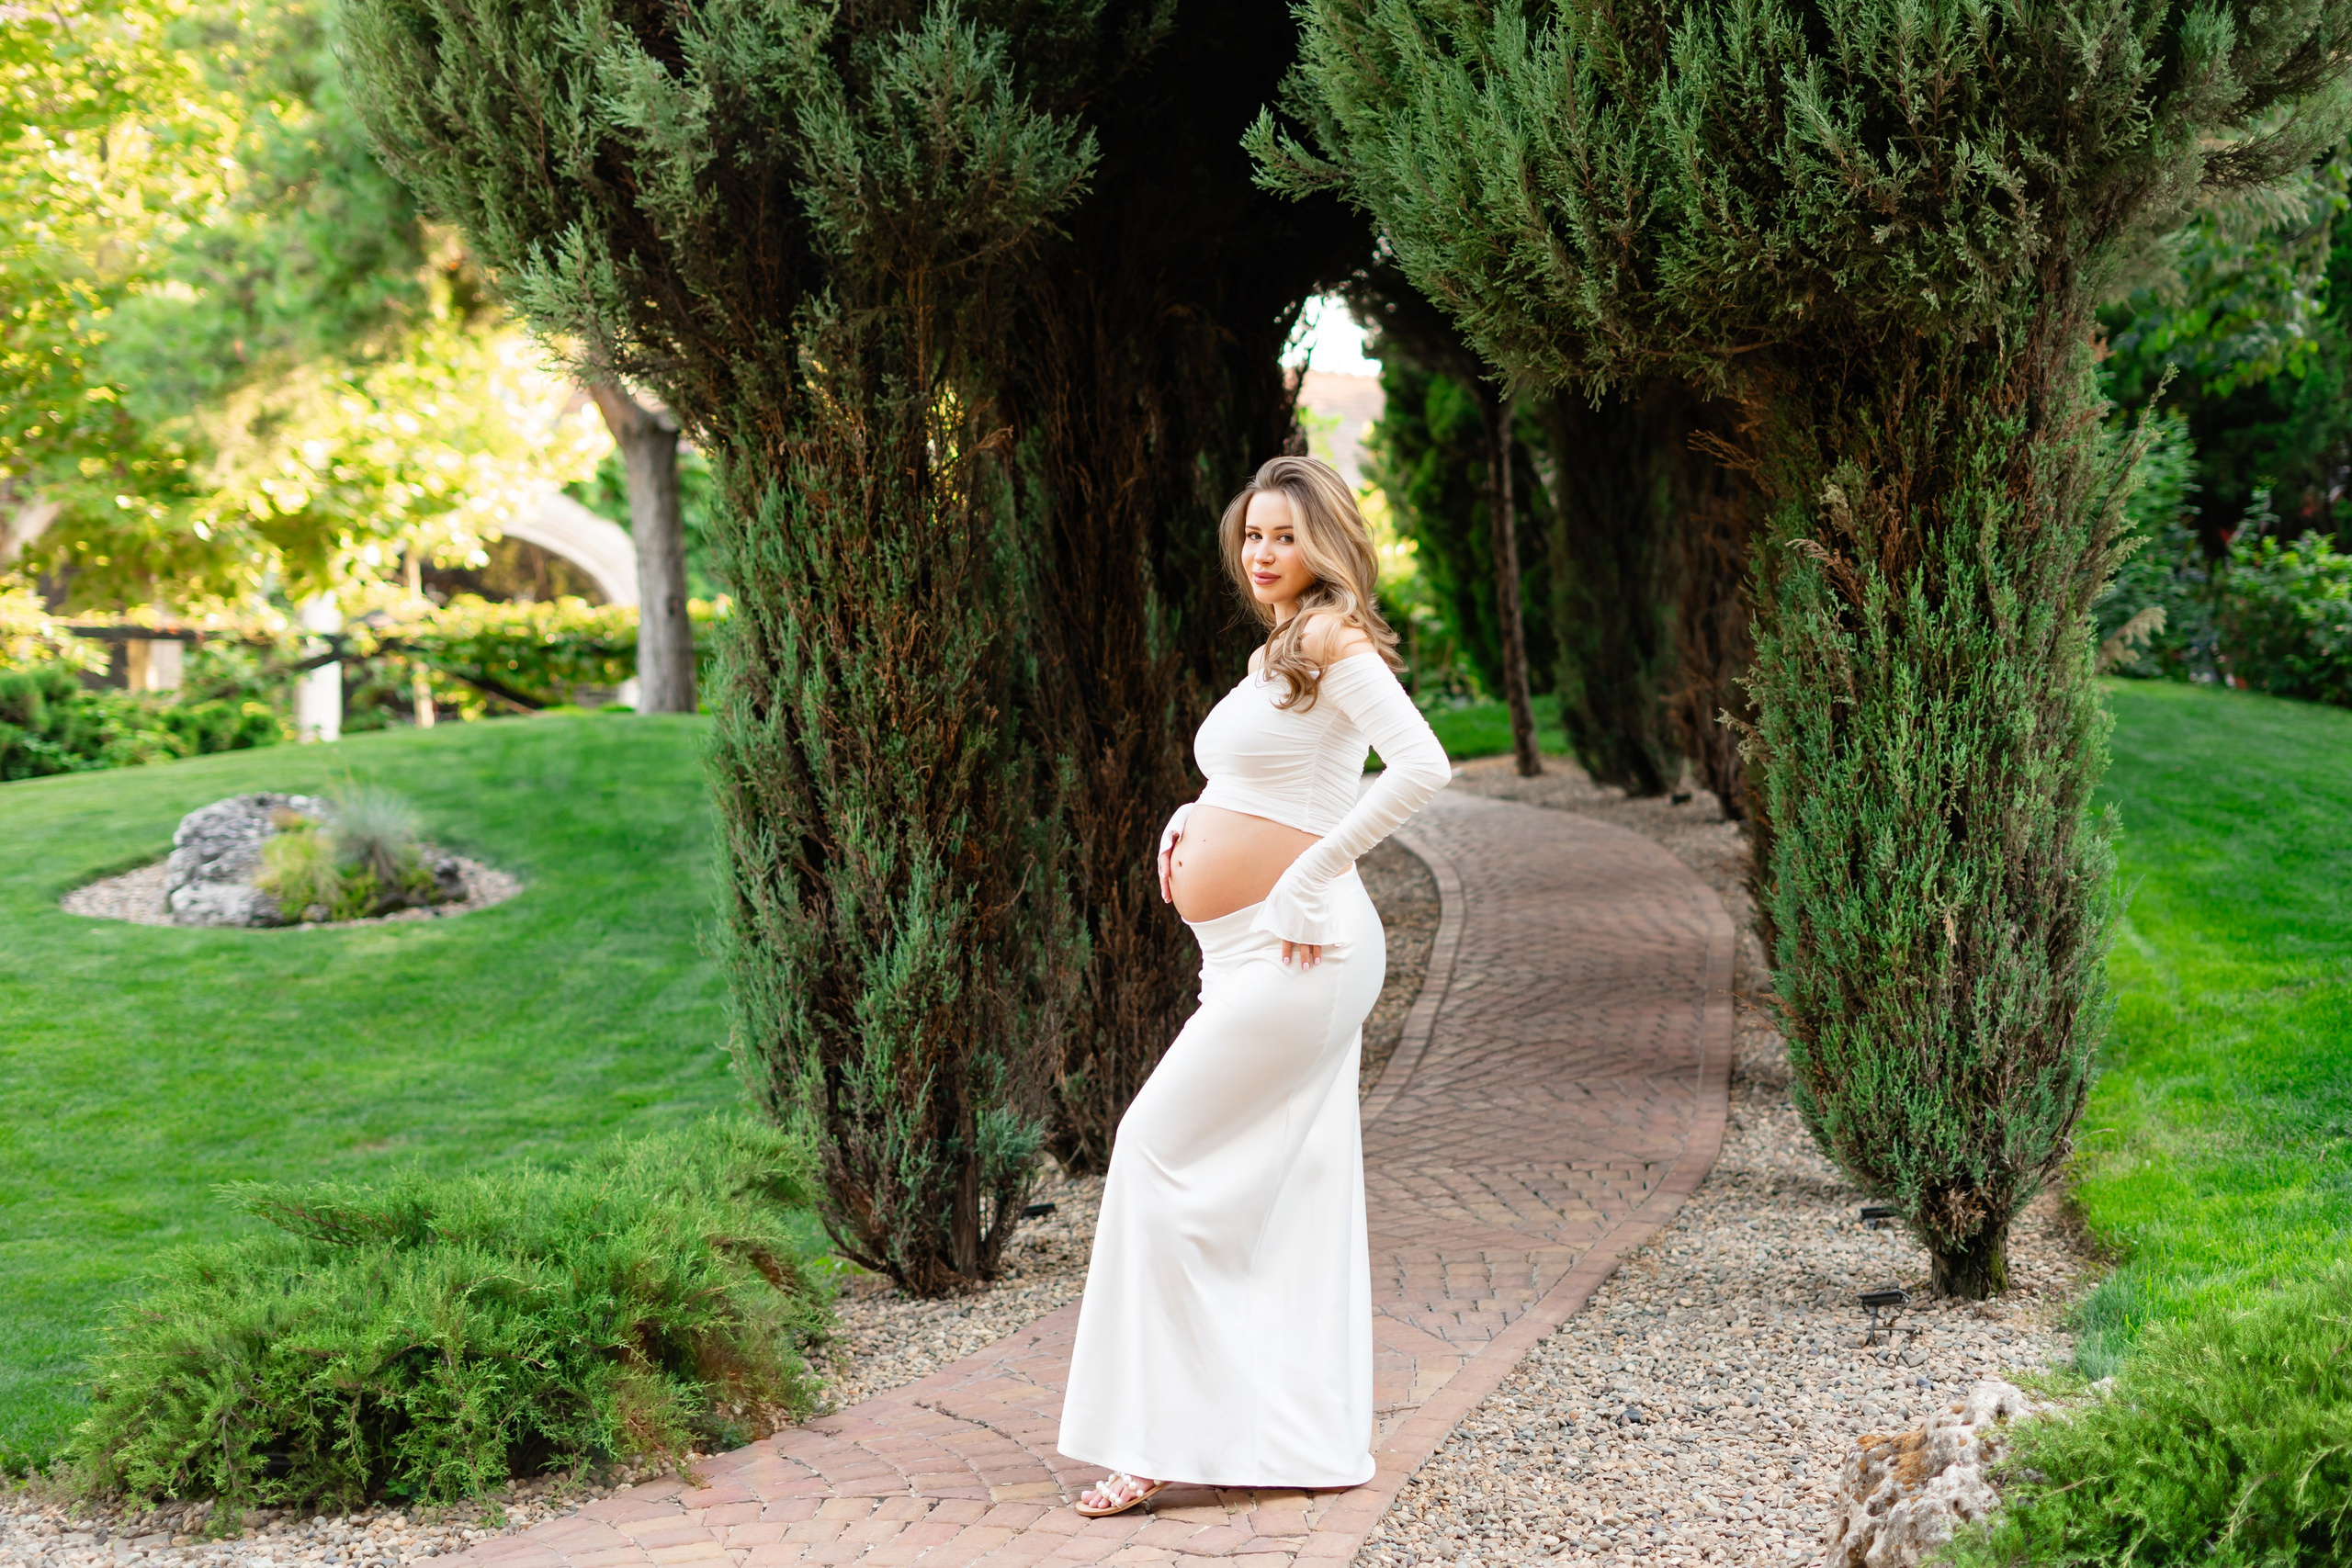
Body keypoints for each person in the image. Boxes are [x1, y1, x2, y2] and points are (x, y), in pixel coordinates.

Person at [1057, 454, 1452, 1517]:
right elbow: (1268, 777)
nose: (1262, 553)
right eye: (1250, 536)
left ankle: (1152, 1438)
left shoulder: (1334, 634)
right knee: (1263, 1195)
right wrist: (1191, 824)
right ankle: (1258, 1429)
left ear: (1322, 541)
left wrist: (1309, 871)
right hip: (1240, 953)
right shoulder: (1278, 645)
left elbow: (1422, 767)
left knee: (1152, 1150)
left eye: (1282, 535)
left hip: (1303, 951)